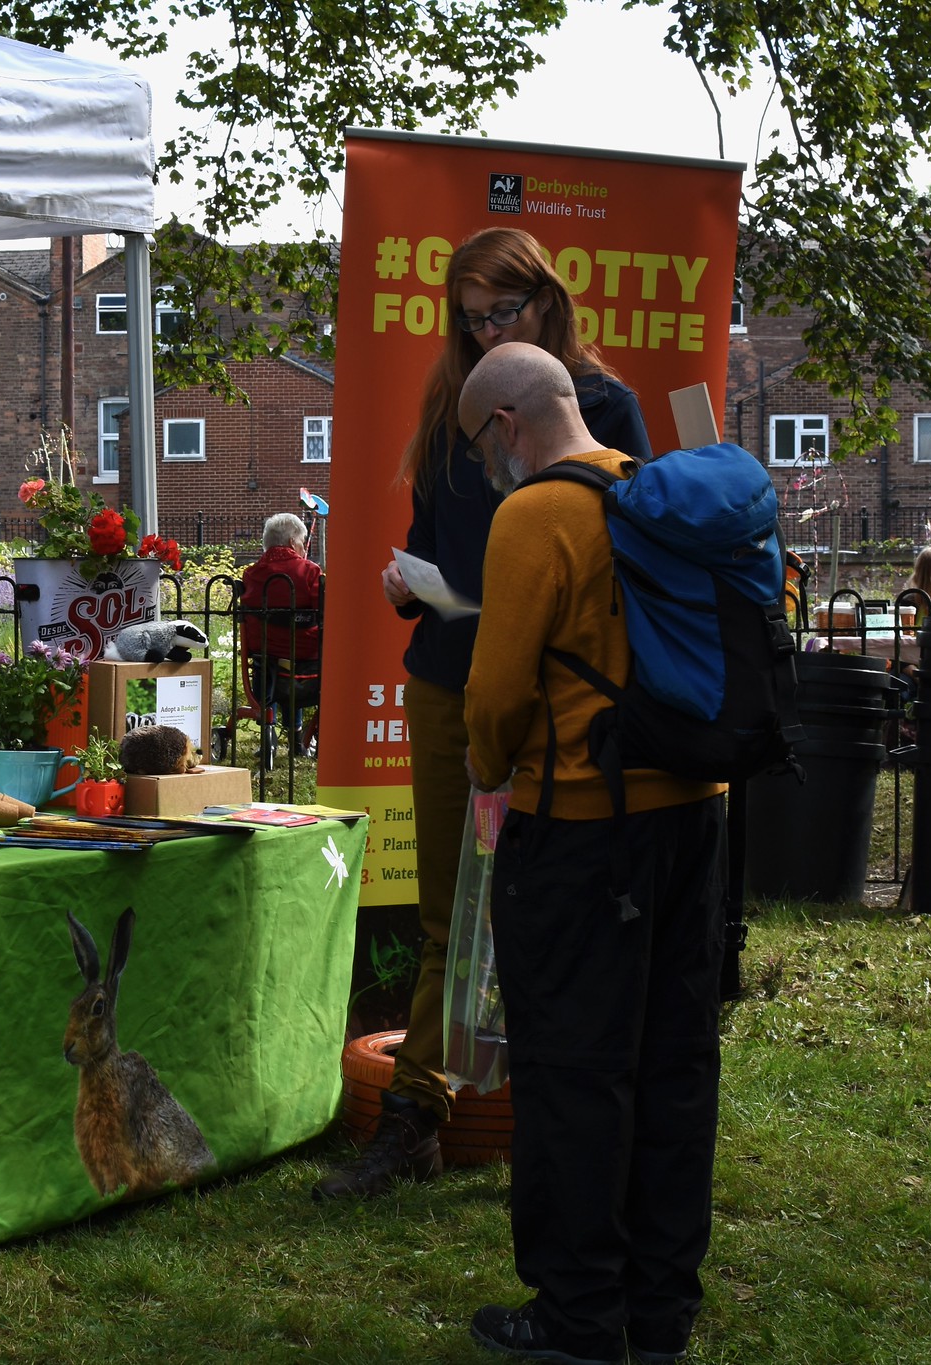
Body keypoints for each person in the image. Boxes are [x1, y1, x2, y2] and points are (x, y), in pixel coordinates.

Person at [319, 226, 652, 1198]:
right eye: (466, 320)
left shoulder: (597, 404)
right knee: (443, 915)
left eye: (499, 313)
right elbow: (432, 537)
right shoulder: (449, 403)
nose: (481, 332)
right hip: (447, 676)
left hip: (555, 697)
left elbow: (622, 558)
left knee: (552, 912)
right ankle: (414, 1120)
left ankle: (551, 1128)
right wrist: (414, 587)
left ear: (546, 301)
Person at [458, 343, 726, 1365]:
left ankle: (575, 1321)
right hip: (691, 816)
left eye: (476, 443)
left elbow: (492, 701)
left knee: (574, 1077)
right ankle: (658, 1316)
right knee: (671, 1065)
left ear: (504, 428)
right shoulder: (656, 493)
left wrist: (494, 773)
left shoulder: (531, 516)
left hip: (576, 825)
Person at [239, 512, 323, 742]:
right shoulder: (310, 571)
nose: (304, 547)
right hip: (304, 654)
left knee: (267, 661)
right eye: (302, 542)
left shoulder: (251, 574)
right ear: (291, 542)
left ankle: (268, 725)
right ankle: (296, 732)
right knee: (291, 655)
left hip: (264, 652)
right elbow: (323, 613)